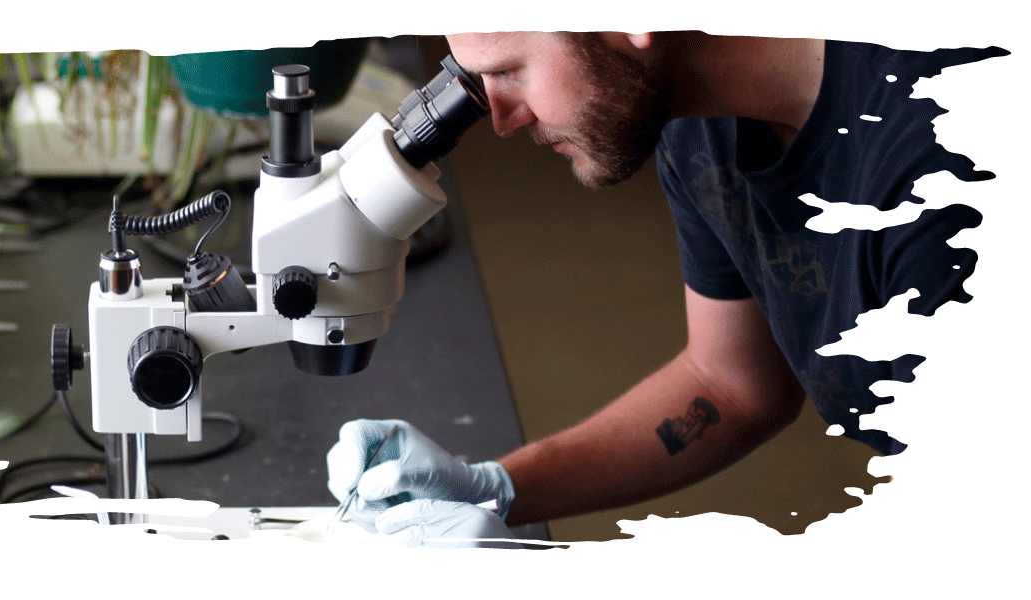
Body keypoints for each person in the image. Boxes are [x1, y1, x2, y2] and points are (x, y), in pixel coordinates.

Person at [327, 31, 1006, 545]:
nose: (502, 120)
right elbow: (730, 385)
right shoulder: (700, 126)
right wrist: (495, 488)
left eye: (509, 70)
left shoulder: (950, 173)